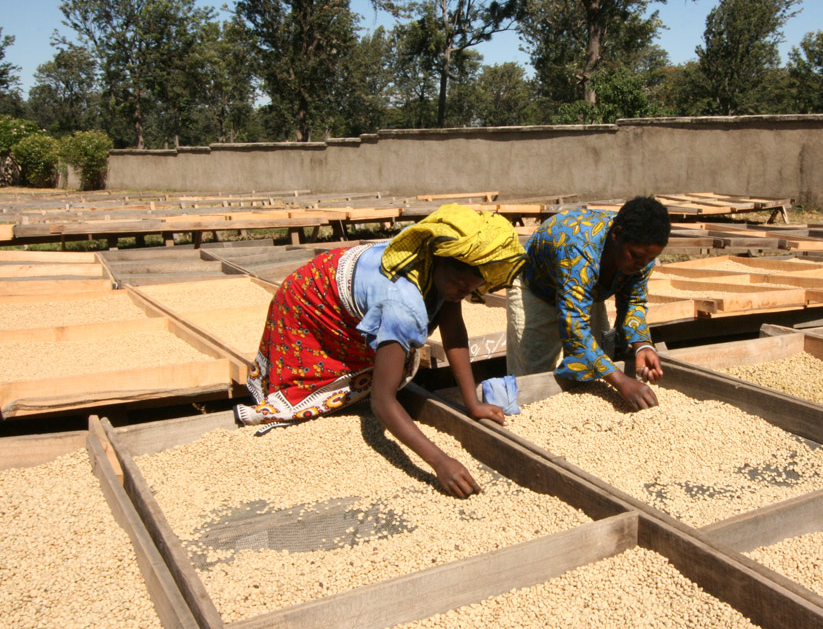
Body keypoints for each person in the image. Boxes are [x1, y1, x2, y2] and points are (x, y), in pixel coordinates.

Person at [236, 204, 525, 498]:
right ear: (438, 259)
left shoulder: (440, 269)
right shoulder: (402, 303)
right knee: (316, 382)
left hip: (340, 277)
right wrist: (439, 461)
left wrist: (472, 403)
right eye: (457, 284)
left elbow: (454, 331)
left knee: (387, 362)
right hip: (309, 299)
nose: (461, 292)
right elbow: (382, 402)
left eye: (469, 289)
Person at [506, 196, 671, 409]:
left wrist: (642, 346)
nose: (642, 265)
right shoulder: (578, 249)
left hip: (586, 289)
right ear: (616, 234)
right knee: (535, 376)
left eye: (650, 259)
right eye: (636, 256)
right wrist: (621, 382)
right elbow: (575, 330)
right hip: (537, 287)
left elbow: (634, 300)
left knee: (597, 363)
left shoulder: (642, 255)